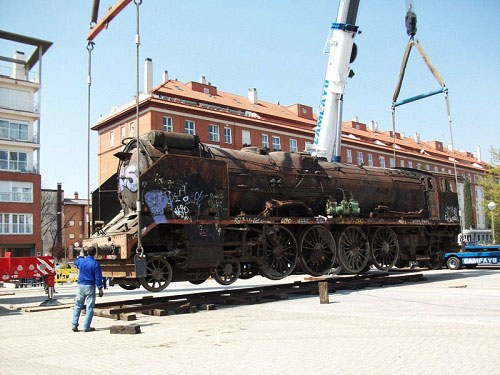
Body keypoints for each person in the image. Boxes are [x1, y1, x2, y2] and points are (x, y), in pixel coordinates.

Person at [71, 248, 104, 332]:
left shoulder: (81, 261)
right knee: (89, 308)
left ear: (87, 253)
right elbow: (98, 278)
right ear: (94, 253)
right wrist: (100, 288)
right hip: (90, 286)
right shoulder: (95, 263)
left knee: (78, 305)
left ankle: (74, 325)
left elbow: (75, 261)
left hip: (80, 286)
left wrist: (81, 256)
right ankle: (86, 327)